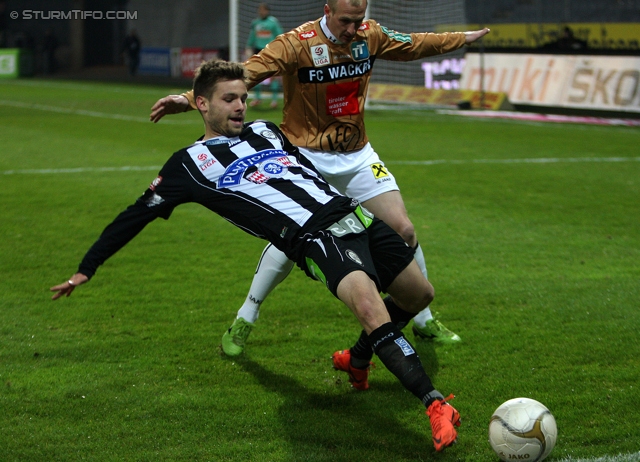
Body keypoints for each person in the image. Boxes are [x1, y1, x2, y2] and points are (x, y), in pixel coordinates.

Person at [51, 59, 461, 452]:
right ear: (202, 104)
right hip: (315, 238)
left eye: (243, 97)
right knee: (374, 312)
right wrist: (87, 268)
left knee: (419, 295)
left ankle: (356, 358)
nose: (240, 106)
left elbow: (302, 170)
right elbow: (135, 215)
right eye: (229, 99)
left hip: (354, 216)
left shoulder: (265, 131)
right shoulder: (188, 166)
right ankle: (435, 404)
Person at [149, 0, 490, 357]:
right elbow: (247, 72)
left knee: (403, 229)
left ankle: (423, 319)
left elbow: (414, 44)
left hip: (357, 155)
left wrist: (462, 38)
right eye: (346, 21)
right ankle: (245, 317)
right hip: (304, 157)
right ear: (327, 10)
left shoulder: (368, 36)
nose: (352, 29)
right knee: (287, 246)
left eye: (358, 21)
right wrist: (189, 100)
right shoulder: (296, 43)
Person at [245, 3, 283, 108]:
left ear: (267, 11)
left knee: (273, 75)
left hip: (270, 51)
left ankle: (274, 100)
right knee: (257, 74)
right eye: (260, 10)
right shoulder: (255, 23)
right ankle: (257, 98)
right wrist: (248, 46)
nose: (262, 12)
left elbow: (279, 35)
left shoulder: (273, 22)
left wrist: (278, 49)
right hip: (258, 50)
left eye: (264, 10)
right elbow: (252, 36)